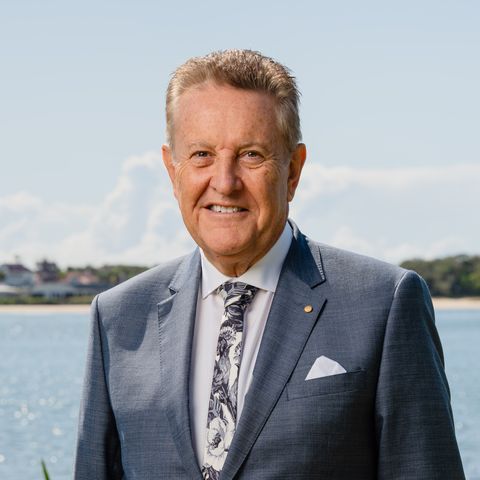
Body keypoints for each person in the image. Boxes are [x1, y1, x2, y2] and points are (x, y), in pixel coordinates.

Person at [74, 49, 465, 479]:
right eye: (202, 154)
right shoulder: (118, 317)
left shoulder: (384, 304)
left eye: (251, 155)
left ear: (293, 171)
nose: (225, 182)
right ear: (172, 170)